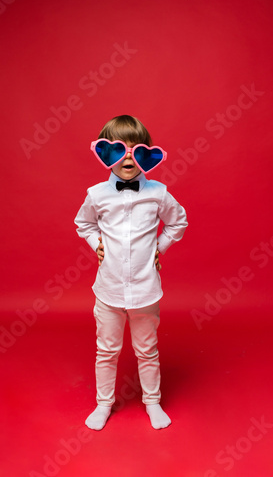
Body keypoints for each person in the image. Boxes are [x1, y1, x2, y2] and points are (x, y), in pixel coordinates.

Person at [74, 115, 188, 430]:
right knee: (106, 350)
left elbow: (179, 221)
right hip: (108, 290)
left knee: (147, 349)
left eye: (136, 149)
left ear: (147, 155)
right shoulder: (97, 194)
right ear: (103, 155)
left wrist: (158, 248)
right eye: (117, 149)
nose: (127, 156)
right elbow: (83, 223)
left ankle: (152, 402)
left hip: (145, 290)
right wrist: (95, 242)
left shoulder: (158, 193)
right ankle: (103, 404)